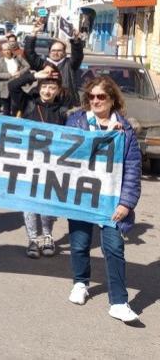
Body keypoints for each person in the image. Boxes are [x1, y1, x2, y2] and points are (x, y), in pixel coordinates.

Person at [64, 76, 142, 324]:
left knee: (114, 249)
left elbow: (132, 169)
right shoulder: (76, 122)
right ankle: (80, 283)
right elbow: (68, 155)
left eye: (101, 96)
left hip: (112, 201)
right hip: (81, 195)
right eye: (92, 96)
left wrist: (126, 203)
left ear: (112, 99)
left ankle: (118, 302)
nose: (96, 101)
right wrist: (104, 136)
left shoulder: (125, 130)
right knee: (79, 243)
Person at [8, 66, 67, 258]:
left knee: (47, 204)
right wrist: (35, 75)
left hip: (53, 165)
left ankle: (48, 236)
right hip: (29, 162)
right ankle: (33, 239)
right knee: (30, 202)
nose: (47, 91)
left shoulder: (63, 110)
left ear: (58, 90)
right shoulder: (28, 104)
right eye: (44, 86)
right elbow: (13, 86)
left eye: (52, 87)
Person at [23, 25, 84, 106]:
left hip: (66, 103)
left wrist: (76, 40)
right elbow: (29, 54)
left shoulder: (70, 64)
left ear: (64, 53)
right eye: (53, 50)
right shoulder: (42, 64)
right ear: (49, 52)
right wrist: (33, 34)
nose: (56, 53)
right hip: (46, 102)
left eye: (59, 50)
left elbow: (78, 54)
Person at [0, 43, 29, 116]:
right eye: (4, 50)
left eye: (8, 49)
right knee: (6, 109)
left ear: (11, 50)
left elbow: (27, 66)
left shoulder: (18, 58)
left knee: (15, 107)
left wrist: (20, 72)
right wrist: (10, 75)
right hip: (5, 87)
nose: (7, 51)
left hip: (17, 86)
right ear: (2, 51)